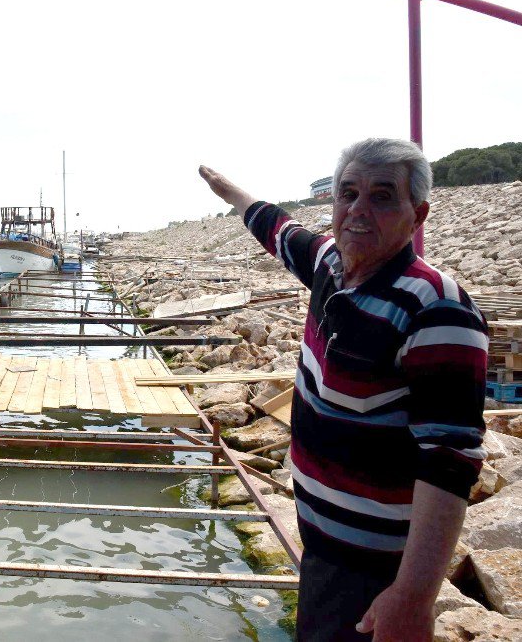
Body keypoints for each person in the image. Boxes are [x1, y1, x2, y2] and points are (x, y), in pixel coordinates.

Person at [198, 138, 487, 642]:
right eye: (347, 193)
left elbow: (449, 462)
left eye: (381, 196)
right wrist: (231, 193)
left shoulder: (438, 309)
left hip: (372, 569)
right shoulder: (330, 264)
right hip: (321, 541)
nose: (357, 209)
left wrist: (413, 597)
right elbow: (276, 227)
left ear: (416, 214)